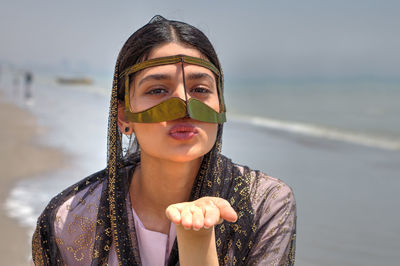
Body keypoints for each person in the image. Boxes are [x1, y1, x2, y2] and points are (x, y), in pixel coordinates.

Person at [32, 16, 296, 265]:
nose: (184, 105)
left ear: (221, 107)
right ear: (124, 117)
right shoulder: (69, 219)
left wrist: (197, 239)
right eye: (157, 90)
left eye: (200, 90)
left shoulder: (264, 203)